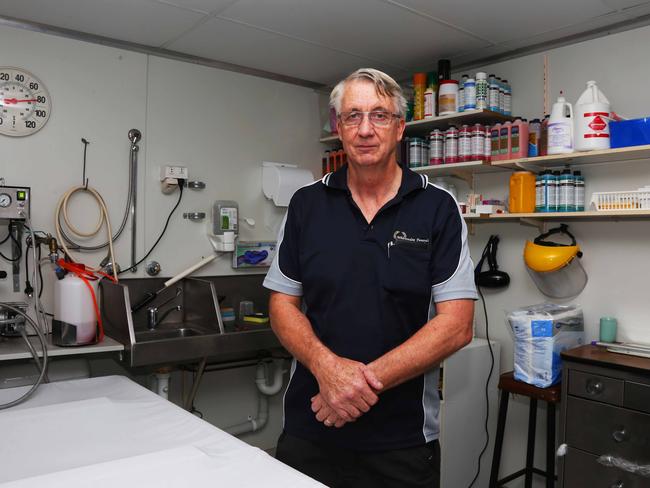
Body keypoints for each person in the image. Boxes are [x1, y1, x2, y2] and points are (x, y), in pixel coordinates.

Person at [263, 68, 477, 488]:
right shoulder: (306, 205)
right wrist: (327, 369)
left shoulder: (437, 208)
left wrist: (352, 386)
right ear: (337, 128)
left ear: (399, 128)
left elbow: (457, 326)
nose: (365, 129)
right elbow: (281, 305)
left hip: (403, 439)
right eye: (352, 116)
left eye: (379, 116)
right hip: (312, 426)